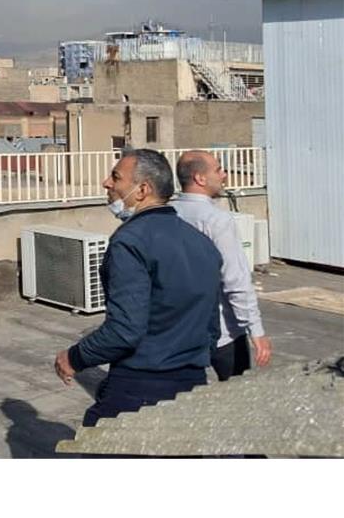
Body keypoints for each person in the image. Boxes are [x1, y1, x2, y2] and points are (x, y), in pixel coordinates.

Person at [54, 148, 222, 427]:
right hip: (192, 387)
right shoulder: (202, 243)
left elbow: (124, 330)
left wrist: (73, 357)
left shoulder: (130, 242)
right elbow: (211, 328)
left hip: (140, 389)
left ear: (142, 189)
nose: (107, 183)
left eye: (116, 177)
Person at [172, 150, 272, 380]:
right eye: (218, 169)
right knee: (238, 399)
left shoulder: (169, 214)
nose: (225, 175)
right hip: (222, 331)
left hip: (180, 330)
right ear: (200, 178)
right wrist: (255, 329)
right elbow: (235, 280)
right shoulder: (217, 220)